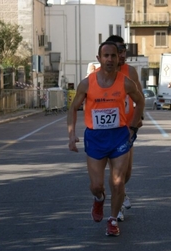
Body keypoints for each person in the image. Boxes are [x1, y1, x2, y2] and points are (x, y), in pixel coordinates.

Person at [67, 41, 145, 236]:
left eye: (113, 56)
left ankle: (112, 219)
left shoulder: (125, 82)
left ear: (118, 58)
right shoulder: (87, 83)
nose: (110, 59)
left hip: (119, 136)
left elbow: (140, 100)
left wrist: (134, 126)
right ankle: (99, 199)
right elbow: (73, 108)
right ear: (99, 59)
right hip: (95, 138)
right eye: (106, 56)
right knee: (96, 186)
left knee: (118, 182)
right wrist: (71, 134)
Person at [105, 35, 143, 222]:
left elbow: (139, 96)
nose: (123, 54)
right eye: (119, 50)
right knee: (116, 174)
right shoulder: (101, 72)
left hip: (127, 129)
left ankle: (121, 192)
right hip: (109, 130)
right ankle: (116, 208)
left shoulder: (131, 72)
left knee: (126, 173)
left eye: (124, 50)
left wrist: (138, 119)